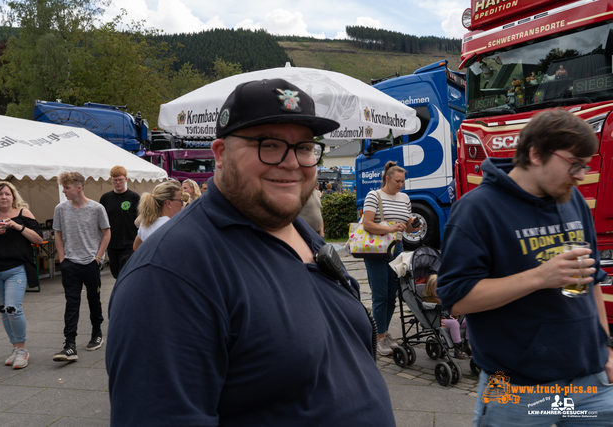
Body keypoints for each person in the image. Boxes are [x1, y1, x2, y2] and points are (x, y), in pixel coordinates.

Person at [106, 78, 395, 426]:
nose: (292, 162)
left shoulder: (303, 233)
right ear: (221, 154)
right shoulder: (170, 273)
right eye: (269, 145)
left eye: (304, 147)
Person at [437, 109, 613, 426]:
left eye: (585, 165)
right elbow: (456, 298)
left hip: (592, 381)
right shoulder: (477, 210)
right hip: (518, 391)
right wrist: (539, 277)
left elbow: (593, 279)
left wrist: (605, 347)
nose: (581, 175)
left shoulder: (572, 200)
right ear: (535, 153)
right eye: (574, 163)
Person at [0, 182, 43, 369]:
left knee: (13, 308)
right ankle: (15, 347)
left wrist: (18, 226)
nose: (4, 197)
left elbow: (39, 238)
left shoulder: (23, 214)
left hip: (16, 269)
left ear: (13, 196)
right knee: (3, 310)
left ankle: (22, 349)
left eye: (7, 194)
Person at [362, 161, 419, 356]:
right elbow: (367, 224)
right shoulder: (373, 196)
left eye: (403, 181)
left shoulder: (404, 198)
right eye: (397, 181)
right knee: (380, 296)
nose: (400, 185)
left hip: (398, 250)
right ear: (387, 178)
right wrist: (390, 228)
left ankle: (385, 333)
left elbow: (407, 227)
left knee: (392, 296)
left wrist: (412, 226)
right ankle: (378, 337)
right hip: (377, 251)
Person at [53, 172, 111, 362]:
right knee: (72, 302)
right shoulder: (60, 209)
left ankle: (97, 333)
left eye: (67, 187)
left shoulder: (97, 208)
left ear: (79, 188)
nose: (64, 191)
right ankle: (69, 345)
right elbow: (58, 234)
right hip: (70, 263)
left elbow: (107, 233)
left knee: (94, 299)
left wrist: (98, 257)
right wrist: (62, 258)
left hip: (90, 263)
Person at [99, 166, 140, 279]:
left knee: (127, 274)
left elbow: (140, 222)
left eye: (120, 180)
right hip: (112, 244)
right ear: (111, 180)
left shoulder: (134, 197)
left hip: (130, 243)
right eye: (115, 180)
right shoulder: (106, 198)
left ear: (126, 179)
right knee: (116, 274)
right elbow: (101, 221)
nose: (118, 182)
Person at [422, 274, 469, 359]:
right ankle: (457, 348)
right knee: (454, 323)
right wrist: (437, 321)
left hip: (452, 318)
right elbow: (427, 310)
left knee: (470, 321)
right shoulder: (428, 300)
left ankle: (468, 343)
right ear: (430, 289)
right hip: (440, 320)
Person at [132, 181, 184, 251]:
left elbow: (136, 248)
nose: (182, 204)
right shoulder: (173, 226)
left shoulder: (145, 224)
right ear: (168, 203)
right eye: (180, 200)